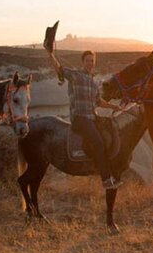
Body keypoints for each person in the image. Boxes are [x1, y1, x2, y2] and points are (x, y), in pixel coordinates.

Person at [46, 47, 123, 189]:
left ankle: (109, 169)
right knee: (99, 142)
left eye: (92, 61)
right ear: (83, 62)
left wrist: (114, 107)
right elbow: (59, 69)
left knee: (110, 130)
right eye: (87, 60)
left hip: (92, 117)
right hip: (80, 118)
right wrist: (50, 53)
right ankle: (106, 179)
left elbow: (98, 102)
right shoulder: (75, 75)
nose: (90, 63)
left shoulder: (94, 82)